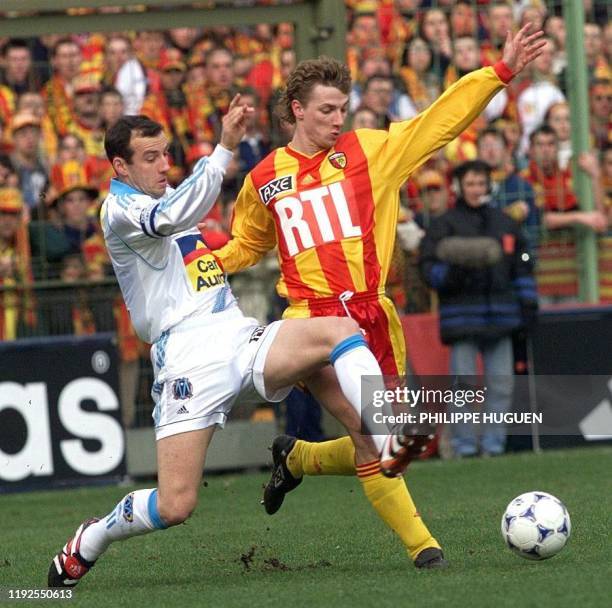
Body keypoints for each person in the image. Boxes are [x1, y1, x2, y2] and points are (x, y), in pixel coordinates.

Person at [47, 105, 422, 588]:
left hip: (237, 336)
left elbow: (203, 243)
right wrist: (224, 147)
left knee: (338, 330)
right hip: (185, 360)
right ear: (120, 167)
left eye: (165, 154)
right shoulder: (121, 211)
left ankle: (385, 429)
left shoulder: (167, 196)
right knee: (175, 505)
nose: (164, 166)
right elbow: (175, 214)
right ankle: (92, 539)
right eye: (149, 158)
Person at [213, 25, 546, 568]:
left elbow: (439, 122)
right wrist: (207, 263)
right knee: (375, 436)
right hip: (308, 319)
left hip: (372, 314)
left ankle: (298, 459)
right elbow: (247, 245)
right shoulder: (264, 179)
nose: (338, 119)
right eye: (326, 110)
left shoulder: (372, 153)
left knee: (392, 449)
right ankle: (425, 548)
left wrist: (498, 73)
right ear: (296, 110)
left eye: (343, 108)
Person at [418, 160, 538, 457]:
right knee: (463, 389)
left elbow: (522, 266)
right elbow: (427, 267)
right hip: (462, 320)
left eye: (481, 183)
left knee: (501, 385)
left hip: (502, 316)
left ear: (489, 186)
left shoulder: (504, 222)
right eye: (470, 184)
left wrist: (528, 305)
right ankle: (465, 447)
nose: (476, 189)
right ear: (459, 187)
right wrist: (452, 275)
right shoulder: (444, 224)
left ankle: (493, 446)